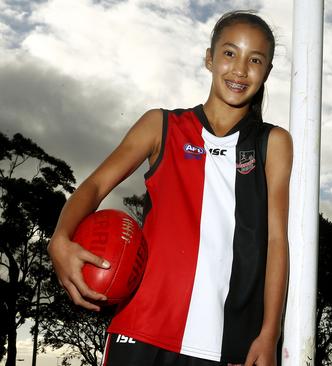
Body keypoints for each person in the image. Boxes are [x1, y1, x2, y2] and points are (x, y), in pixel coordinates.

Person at [47, 10, 292, 366]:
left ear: (267, 71)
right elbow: (96, 185)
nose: (240, 69)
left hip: (228, 344)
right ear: (209, 58)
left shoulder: (274, 143)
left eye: (255, 60)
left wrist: (270, 333)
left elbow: (275, 241)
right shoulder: (160, 125)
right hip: (142, 329)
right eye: (229, 53)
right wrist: (60, 238)